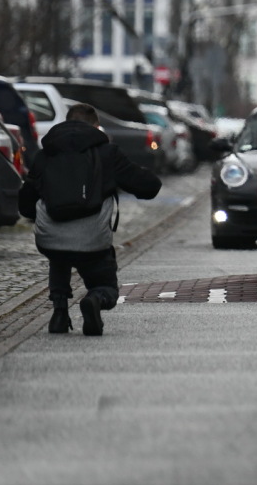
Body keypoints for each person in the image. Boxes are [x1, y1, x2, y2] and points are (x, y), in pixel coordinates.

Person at [19, 103, 161, 336]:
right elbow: (149, 187)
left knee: (59, 251)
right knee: (106, 283)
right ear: (97, 127)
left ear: (64, 123)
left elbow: (25, 205)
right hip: (93, 239)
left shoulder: (45, 154)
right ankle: (96, 298)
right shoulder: (108, 153)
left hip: (50, 239)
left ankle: (59, 312)